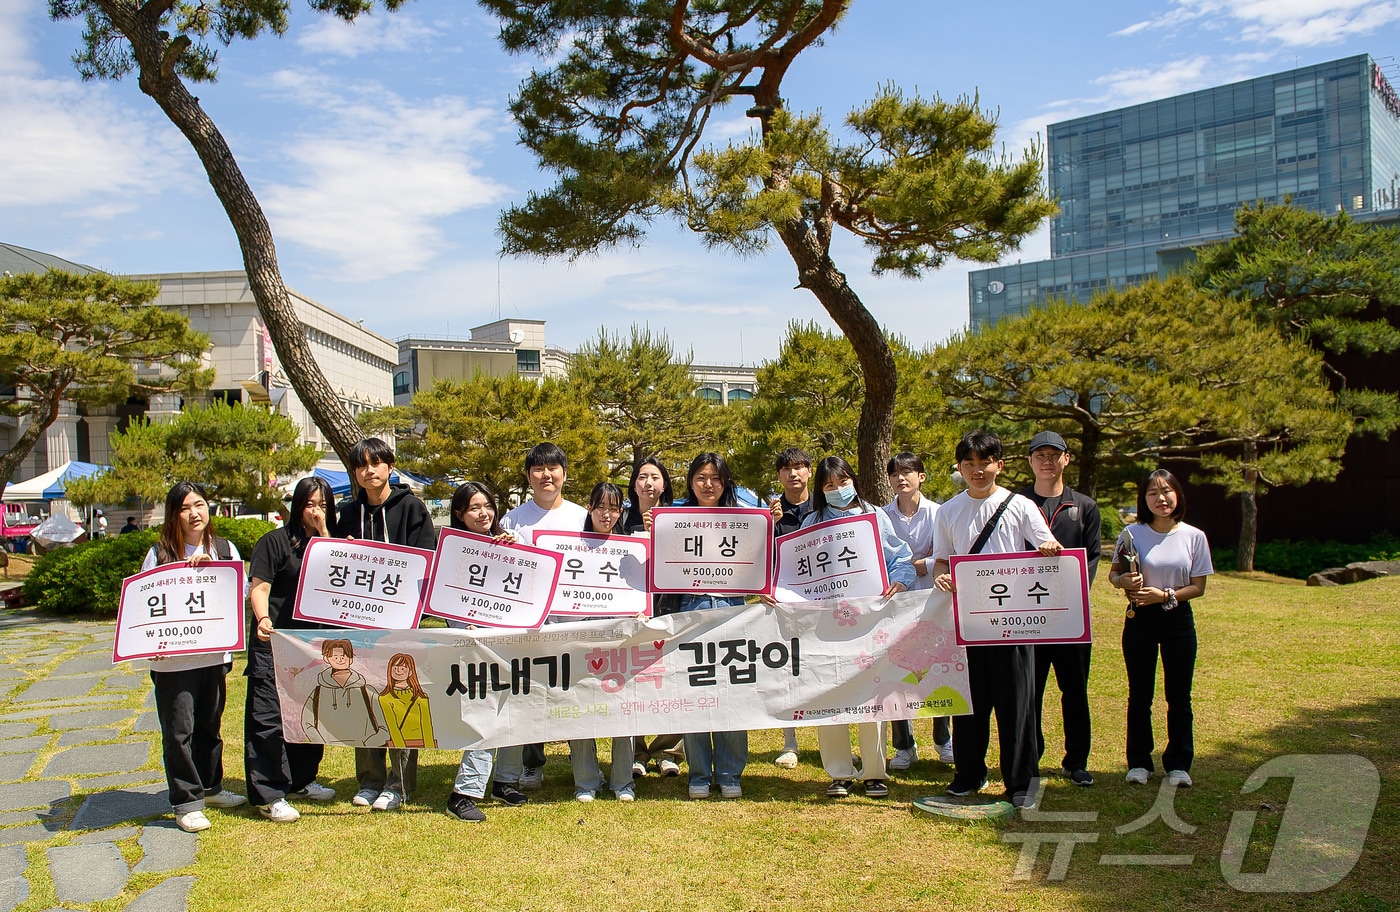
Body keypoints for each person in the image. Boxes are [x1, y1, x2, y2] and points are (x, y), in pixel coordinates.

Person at [932, 430, 1061, 810]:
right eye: (968, 463)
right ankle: (968, 775)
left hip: (1013, 622)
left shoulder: (1019, 505)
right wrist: (941, 573)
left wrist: (1049, 547)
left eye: (984, 462)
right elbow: (942, 557)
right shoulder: (948, 511)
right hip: (967, 623)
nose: (977, 470)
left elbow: (1045, 543)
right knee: (969, 703)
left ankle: (1021, 783)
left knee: (1016, 702)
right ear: (959, 468)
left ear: (999, 465)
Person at [333, 437, 436, 812]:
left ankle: (399, 784)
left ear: (390, 467)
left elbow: (426, 560)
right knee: (364, 699)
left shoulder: (412, 508)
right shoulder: (347, 513)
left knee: (401, 697)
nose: (369, 471)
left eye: (376, 463)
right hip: (359, 626)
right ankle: (370, 780)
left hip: (401, 624)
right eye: (361, 465)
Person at [801, 456, 914, 800]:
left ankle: (874, 772)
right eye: (828, 485)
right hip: (826, 624)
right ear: (821, 490)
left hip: (869, 620)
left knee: (871, 695)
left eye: (842, 481)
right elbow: (798, 570)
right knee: (830, 694)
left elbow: (901, 557)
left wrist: (900, 582)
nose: (837, 490)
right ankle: (839, 772)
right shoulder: (811, 521)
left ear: (854, 479)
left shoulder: (875, 515)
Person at [142, 482, 248, 832]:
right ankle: (186, 801)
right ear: (174, 514)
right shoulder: (159, 554)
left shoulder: (224, 548)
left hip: (213, 656)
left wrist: (213, 570)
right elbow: (145, 601)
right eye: (185, 507)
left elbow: (242, 592)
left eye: (200, 504)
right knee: (179, 730)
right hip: (174, 662)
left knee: (209, 726)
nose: (194, 513)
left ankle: (211, 787)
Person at [245, 476, 339, 823]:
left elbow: (335, 575)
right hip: (275, 641)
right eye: (310, 504)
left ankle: (302, 780)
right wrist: (262, 618)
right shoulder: (274, 542)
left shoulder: (331, 543)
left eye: (324, 505)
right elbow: (261, 586)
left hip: (313, 645)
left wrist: (325, 532)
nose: (316, 511)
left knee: (309, 714)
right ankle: (268, 793)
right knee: (267, 717)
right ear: (297, 505)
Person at [1110, 469, 1212, 788]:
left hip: (1178, 619)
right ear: (1144, 499)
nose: (1161, 498)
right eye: (1153, 493)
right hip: (1140, 619)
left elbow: (1198, 586)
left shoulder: (1193, 536)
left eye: (1166, 491)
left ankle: (1179, 764)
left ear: (1177, 495)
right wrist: (1121, 581)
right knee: (1140, 694)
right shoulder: (1132, 533)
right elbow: (1114, 574)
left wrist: (1165, 595)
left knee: (1178, 695)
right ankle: (1139, 762)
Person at [497, 442, 589, 792]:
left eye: (553, 468)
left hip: (575, 621)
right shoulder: (513, 519)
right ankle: (531, 763)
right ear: (528, 476)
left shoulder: (582, 516)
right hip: (529, 620)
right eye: (538, 469)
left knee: (576, 689)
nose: (546, 475)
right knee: (529, 691)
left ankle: (583, 762)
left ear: (565, 473)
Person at [1019, 431, 1101, 787]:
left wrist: (1073, 597)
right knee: (1029, 692)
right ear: (1030, 461)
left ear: (1067, 459)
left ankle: (1076, 761)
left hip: (1071, 618)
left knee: (1075, 691)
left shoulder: (1083, 506)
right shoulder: (1016, 504)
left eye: (1055, 454)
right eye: (1040, 455)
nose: (1047, 461)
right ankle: (1030, 756)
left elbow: (1093, 557)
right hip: (1027, 616)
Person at [442, 481, 527, 821]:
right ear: (460, 514)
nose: (483, 513)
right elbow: (444, 596)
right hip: (474, 642)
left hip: (510, 640)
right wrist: (463, 627)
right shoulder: (452, 549)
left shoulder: (508, 543)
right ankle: (464, 792)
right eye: (475, 508)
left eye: (488, 506)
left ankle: (504, 781)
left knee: (516, 707)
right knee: (487, 713)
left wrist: (516, 548)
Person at [673, 452, 750, 800]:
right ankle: (700, 773)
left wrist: (772, 522)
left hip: (733, 609)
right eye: (701, 477)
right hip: (691, 608)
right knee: (695, 692)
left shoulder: (743, 516)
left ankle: (731, 773)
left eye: (716, 478)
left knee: (732, 691)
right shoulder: (674, 515)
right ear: (690, 481)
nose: (708, 484)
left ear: (726, 482)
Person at [567, 482, 640, 802]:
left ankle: (623, 781)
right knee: (581, 710)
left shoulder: (631, 548)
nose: (607, 514)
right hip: (581, 638)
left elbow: (642, 590)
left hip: (621, 640)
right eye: (601, 507)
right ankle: (586, 782)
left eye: (614, 508)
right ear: (589, 508)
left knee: (623, 711)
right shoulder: (570, 546)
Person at [882, 452, 950, 771]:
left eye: (907, 472)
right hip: (895, 605)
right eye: (895, 473)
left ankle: (943, 738)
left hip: (936, 600)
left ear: (921, 476)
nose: (901, 478)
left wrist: (920, 563)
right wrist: (920, 562)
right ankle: (904, 745)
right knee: (896, 673)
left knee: (937, 671)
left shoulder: (940, 513)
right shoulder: (881, 517)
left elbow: (947, 554)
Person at [624, 458, 685, 778]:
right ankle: (635, 750)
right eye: (642, 477)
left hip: (671, 608)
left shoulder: (679, 517)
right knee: (632, 682)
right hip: (630, 613)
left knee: (672, 681)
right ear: (633, 484)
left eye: (655, 477)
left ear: (664, 485)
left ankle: (668, 750)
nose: (648, 483)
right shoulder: (621, 519)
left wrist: (658, 531)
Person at [769, 447, 814, 769]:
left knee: (828, 670)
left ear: (809, 471)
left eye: (799, 467)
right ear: (779, 476)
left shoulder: (824, 508)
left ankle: (834, 741)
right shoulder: (771, 513)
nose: (793, 474)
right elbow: (760, 558)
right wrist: (769, 526)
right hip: (785, 606)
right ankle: (790, 742)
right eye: (786, 469)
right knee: (787, 673)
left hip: (824, 602)